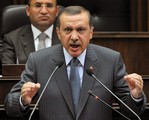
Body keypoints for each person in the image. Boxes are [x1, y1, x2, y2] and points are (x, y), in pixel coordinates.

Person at [5, 6, 146, 120]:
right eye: (67, 30)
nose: (74, 37)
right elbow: (10, 107)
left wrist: (135, 96)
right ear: (58, 33)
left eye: (80, 30)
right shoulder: (38, 60)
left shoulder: (110, 60)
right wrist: (23, 100)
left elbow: (132, 113)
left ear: (91, 32)